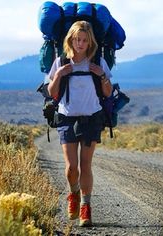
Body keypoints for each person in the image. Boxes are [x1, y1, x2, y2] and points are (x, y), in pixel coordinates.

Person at [47, 20, 112, 227]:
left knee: (85, 165)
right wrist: (58, 74)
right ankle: (73, 193)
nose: (81, 44)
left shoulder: (99, 62)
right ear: (71, 40)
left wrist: (101, 75)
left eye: (84, 40)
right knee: (71, 168)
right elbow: (52, 92)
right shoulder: (60, 62)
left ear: (90, 41)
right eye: (77, 39)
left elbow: (108, 92)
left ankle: (86, 207)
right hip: (67, 118)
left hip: (92, 117)